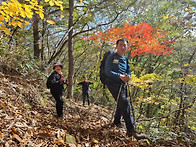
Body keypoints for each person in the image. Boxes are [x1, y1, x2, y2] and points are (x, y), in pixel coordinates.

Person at [105, 38, 147, 140]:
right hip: (112, 83)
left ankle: (117, 121)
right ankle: (131, 130)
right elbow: (107, 71)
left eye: (125, 45)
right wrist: (119, 76)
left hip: (122, 84)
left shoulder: (125, 59)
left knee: (121, 102)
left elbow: (128, 71)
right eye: (120, 45)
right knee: (124, 102)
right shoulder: (111, 56)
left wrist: (128, 76)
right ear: (116, 46)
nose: (123, 47)